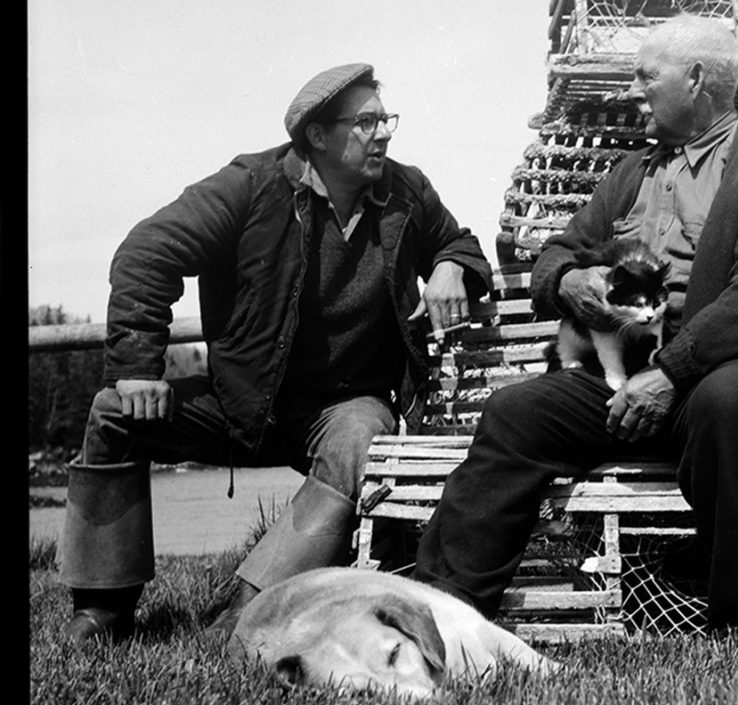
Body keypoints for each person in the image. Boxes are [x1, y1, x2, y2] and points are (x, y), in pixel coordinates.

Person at [413, 13, 738, 640]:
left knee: (729, 405)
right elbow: (559, 251)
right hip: (623, 378)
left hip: (726, 371)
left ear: (696, 79)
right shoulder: (632, 172)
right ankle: (440, 618)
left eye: (644, 76)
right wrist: (568, 283)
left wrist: (671, 374)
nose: (632, 91)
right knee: (514, 412)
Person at [60, 63, 493, 646]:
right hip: (241, 401)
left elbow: (459, 242)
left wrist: (450, 265)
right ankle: (102, 610)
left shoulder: (405, 191)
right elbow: (146, 253)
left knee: (360, 439)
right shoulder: (250, 186)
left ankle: (245, 618)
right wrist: (138, 368)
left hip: (342, 406)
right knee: (113, 412)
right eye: (366, 122)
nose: (384, 134)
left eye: (385, 119)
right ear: (316, 135)